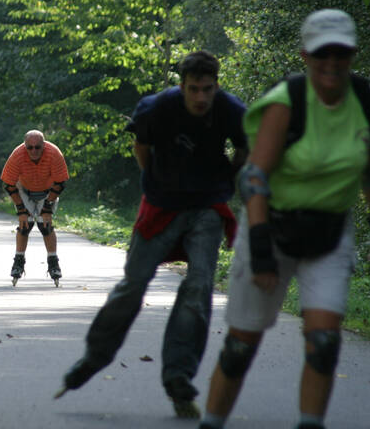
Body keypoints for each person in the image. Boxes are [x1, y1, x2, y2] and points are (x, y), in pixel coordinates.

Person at [199, 10, 370, 429]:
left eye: (340, 53)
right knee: (240, 345)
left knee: (324, 343)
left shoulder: (366, 102)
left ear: (353, 54)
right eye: (321, 53)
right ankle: (211, 422)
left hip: (329, 231)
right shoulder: (287, 103)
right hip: (270, 226)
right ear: (306, 55)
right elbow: (254, 178)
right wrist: (259, 248)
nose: (331, 62)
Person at [55, 51, 248, 419]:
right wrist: (158, 182)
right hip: (161, 207)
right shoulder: (157, 108)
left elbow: (245, 146)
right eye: (194, 89)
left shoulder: (231, 110)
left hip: (207, 208)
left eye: (208, 89)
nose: (201, 98)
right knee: (133, 286)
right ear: (182, 86)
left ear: (216, 85)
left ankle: (178, 378)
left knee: (199, 286)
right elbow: (141, 148)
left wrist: (226, 178)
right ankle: (93, 359)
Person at [0, 130, 70, 285]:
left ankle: (53, 262)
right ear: (25, 146)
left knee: (46, 226)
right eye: (29, 148)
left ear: (44, 145)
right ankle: (18, 261)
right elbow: (9, 184)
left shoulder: (53, 153)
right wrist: (21, 211)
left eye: (37, 147)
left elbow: (60, 183)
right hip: (24, 190)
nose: (34, 151)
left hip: (48, 191)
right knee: (25, 225)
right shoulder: (18, 155)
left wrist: (47, 208)